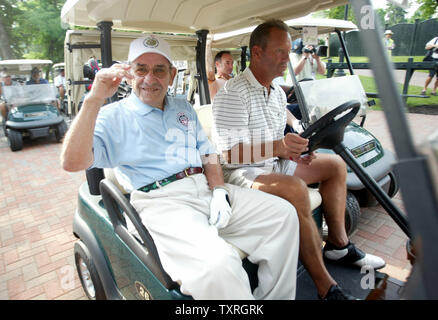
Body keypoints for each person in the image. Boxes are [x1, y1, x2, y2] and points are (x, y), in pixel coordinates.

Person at [60, 34, 300, 300]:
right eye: (141, 69)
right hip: (161, 201)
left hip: (207, 190)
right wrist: (94, 98)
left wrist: (219, 190)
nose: (150, 78)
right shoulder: (112, 116)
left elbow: (207, 153)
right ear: (129, 74)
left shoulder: (182, 107)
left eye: (159, 70)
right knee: (217, 267)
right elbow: (72, 162)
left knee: (283, 216)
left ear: (172, 75)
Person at [212, 19, 386, 300]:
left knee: (334, 166)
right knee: (294, 189)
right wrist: (280, 147)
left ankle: (339, 245)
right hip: (241, 173)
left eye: (288, 51)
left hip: (273, 164)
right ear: (257, 53)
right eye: (280, 52)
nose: (287, 59)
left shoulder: (276, 92)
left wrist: (299, 148)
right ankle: (326, 287)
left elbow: (280, 139)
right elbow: (230, 154)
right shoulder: (233, 94)